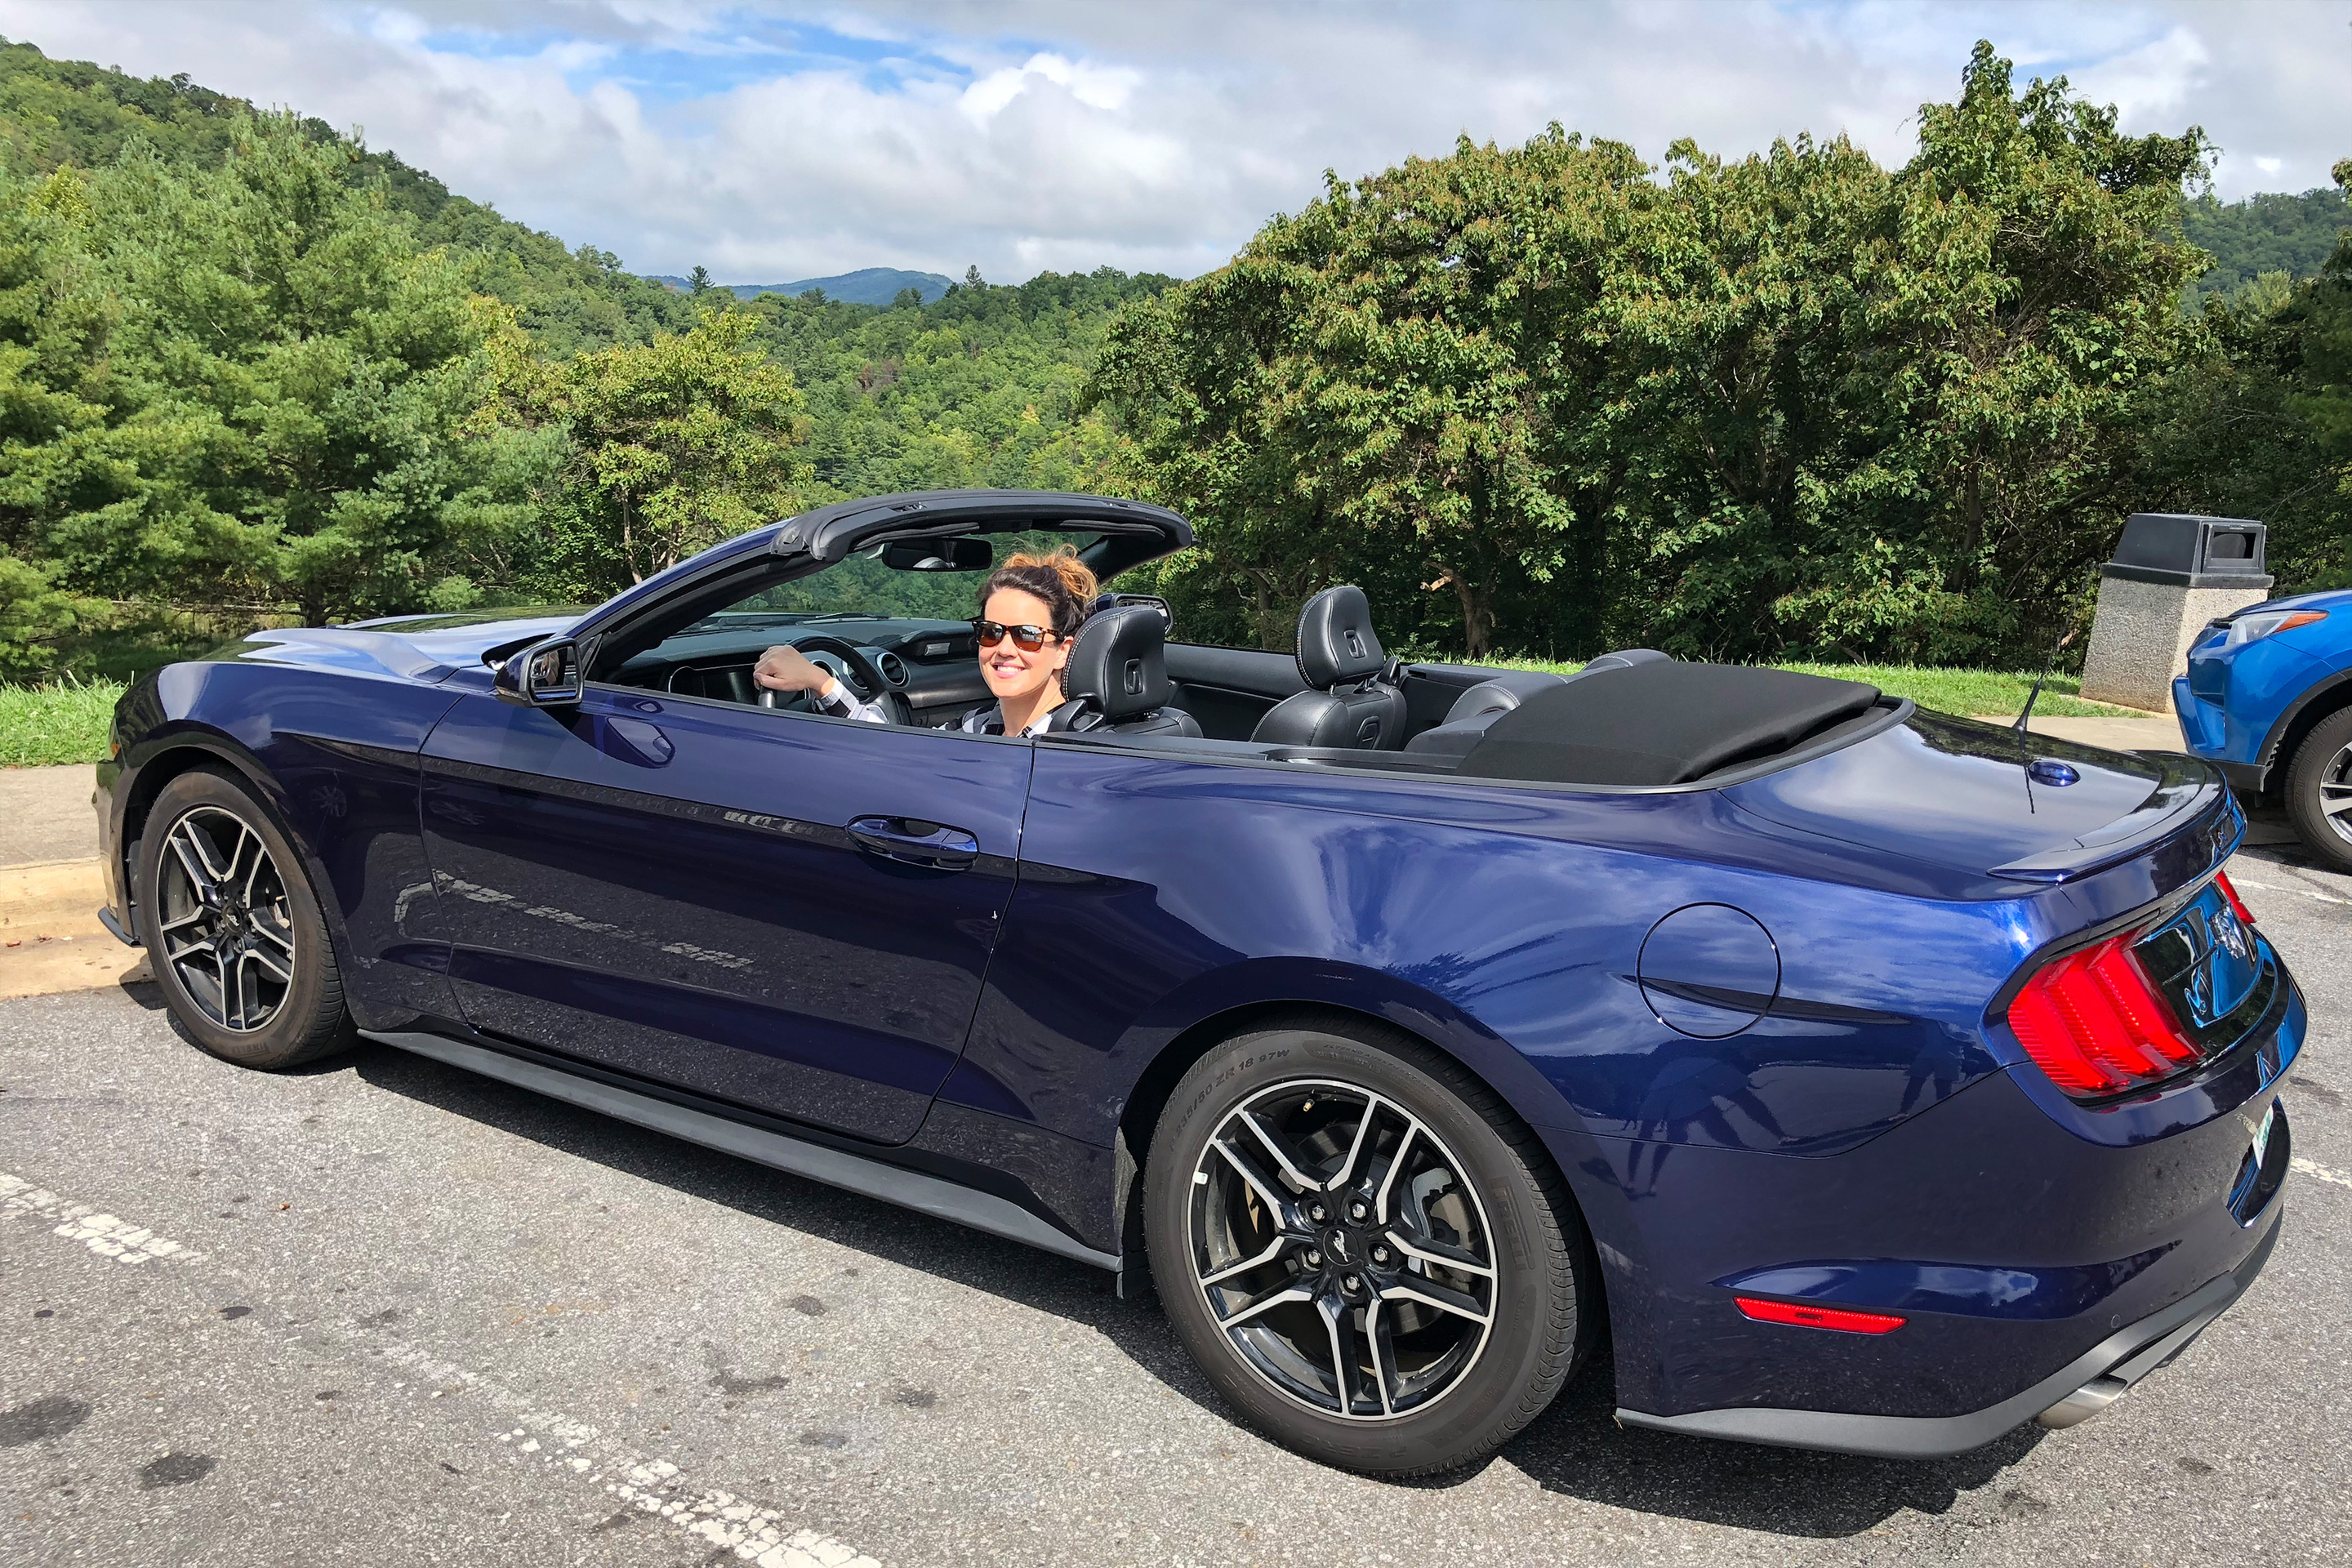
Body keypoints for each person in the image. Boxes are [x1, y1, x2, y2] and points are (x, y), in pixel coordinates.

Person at [752, 546, 1099, 736]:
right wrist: (821, 682)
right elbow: (894, 750)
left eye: (1027, 636)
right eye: (991, 631)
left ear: (1062, 652)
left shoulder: (1074, 746)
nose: (1004, 649)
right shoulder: (981, 727)